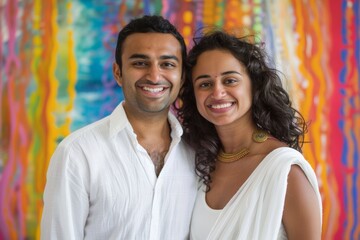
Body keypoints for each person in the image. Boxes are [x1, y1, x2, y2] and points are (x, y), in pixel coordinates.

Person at [41, 15, 198, 239]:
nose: (154, 76)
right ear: (118, 73)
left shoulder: (198, 152)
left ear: (182, 77)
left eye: (167, 64)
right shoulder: (77, 153)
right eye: (140, 63)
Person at [176, 30, 322, 240]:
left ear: (253, 85)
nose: (217, 93)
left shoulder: (286, 171)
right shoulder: (199, 164)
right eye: (205, 84)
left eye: (230, 80)